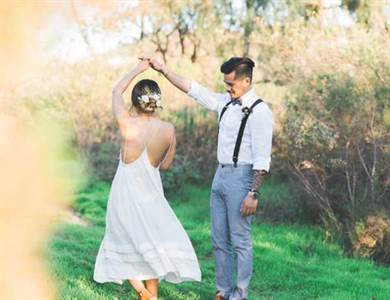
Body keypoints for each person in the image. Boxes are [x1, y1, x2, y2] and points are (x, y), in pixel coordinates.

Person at [147, 56, 273, 300]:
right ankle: (223, 291)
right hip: (220, 175)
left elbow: (262, 158)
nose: (227, 88)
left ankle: (240, 294)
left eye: (231, 84)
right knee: (218, 240)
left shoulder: (260, 112)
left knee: (240, 241)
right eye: (225, 84)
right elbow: (193, 89)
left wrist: (253, 193)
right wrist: (163, 70)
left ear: (246, 81)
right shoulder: (225, 102)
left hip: (242, 177)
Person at [93, 59, 201, 300]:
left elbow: (115, 91)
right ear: (157, 102)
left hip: (125, 193)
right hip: (151, 193)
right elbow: (166, 165)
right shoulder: (169, 130)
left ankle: (143, 292)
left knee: (120, 237)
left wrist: (137, 69)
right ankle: (150, 295)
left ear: (135, 101)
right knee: (150, 242)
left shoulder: (127, 124)